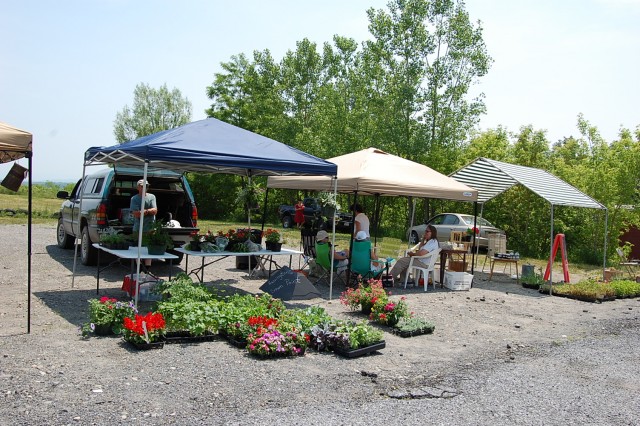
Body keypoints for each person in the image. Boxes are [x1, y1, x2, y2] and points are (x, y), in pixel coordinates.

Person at [130, 179, 158, 267]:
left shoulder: (152, 197)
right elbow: (136, 214)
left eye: (146, 186)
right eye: (142, 186)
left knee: (148, 248)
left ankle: (147, 269)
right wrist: (147, 211)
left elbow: (155, 210)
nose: (144, 188)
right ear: (138, 187)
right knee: (137, 249)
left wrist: (144, 211)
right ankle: (140, 268)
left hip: (150, 228)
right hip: (138, 228)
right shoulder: (134, 199)